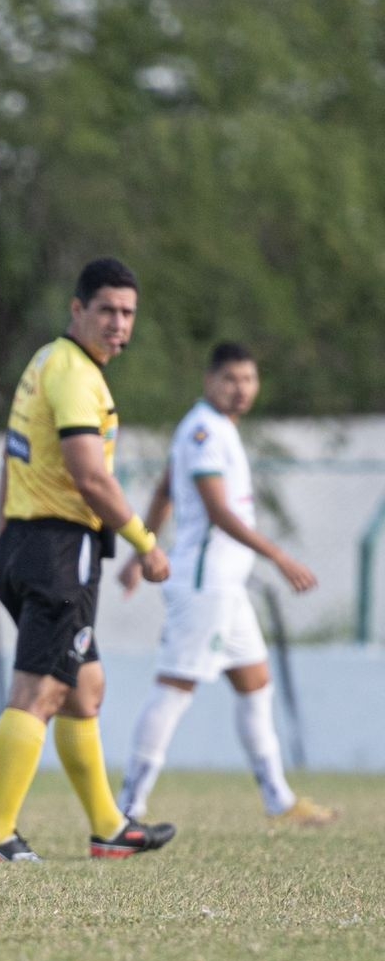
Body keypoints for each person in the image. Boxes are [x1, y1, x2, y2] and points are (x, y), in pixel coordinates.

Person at [0, 258, 178, 863]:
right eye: (107, 310)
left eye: (128, 313)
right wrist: (145, 543)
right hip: (60, 552)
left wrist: (0, 542)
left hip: (27, 544)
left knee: (85, 689)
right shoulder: (75, 375)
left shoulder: (46, 362)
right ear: (78, 309)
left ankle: (109, 828)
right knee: (39, 691)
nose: (119, 323)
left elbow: (15, 457)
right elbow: (90, 476)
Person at [116, 343, 337, 827]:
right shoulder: (204, 430)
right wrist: (279, 557)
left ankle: (278, 799)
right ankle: (128, 807)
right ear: (209, 380)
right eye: (231, 379)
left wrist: (138, 553)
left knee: (256, 684)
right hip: (205, 586)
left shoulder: (216, 428)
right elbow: (217, 510)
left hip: (228, 588)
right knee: (175, 688)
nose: (241, 389)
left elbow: (164, 489)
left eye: (248, 379)